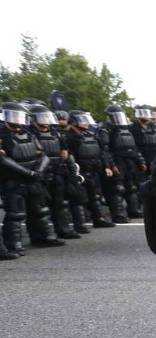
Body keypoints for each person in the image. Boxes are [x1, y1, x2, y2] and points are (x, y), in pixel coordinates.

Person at [0, 102, 65, 254]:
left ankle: (44, 237)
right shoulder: (2, 135)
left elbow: (42, 154)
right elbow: (3, 160)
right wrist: (28, 173)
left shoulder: (29, 133)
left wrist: (39, 171)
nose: (17, 120)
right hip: (13, 179)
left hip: (33, 178)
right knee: (16, 214)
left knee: (40, 209)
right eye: (14, 115)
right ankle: (13, 244)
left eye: (19, 116)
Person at [28, 104, 81, 239]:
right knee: (39, 207)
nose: (45, 120)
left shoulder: (55, 132)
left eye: (46, 117)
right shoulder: (30, 134)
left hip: (57, 171)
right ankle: (40, 236)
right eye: (42, 117)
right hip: (39, 173)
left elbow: (64, 151)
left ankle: (63, 230)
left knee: (59, 203)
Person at [67, 111, 116, 229]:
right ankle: (80, 224)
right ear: (74, 121)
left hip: (93, 170)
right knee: (79, 199)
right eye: (82, 120)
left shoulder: (90, 134)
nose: (85, 123)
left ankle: (98, 219)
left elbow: (102, 152)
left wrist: (106, 166)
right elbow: (69, 156)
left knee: (95, 197)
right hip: (80, 171)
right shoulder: (70, 136)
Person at [97, 105, 146, 220]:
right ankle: (118, 214)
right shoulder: (105, 129)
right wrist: (111, 165)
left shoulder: (127, 129)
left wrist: (140, 161)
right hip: (117, 160)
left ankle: (133, 210)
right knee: (117, 188)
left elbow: (134, 147)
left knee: (132, 187)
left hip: (130, 160)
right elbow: (105, 149)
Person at [130, 106, 156, 173]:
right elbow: (133, 146)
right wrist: (140, 161)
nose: (145, 116)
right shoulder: (132, 128)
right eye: (142, 114)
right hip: (141, 160)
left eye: (146, 113)